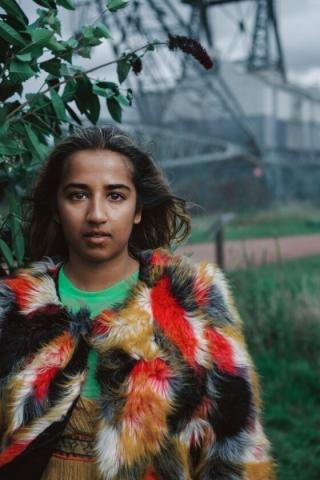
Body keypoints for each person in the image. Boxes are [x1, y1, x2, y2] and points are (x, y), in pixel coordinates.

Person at [0, 126, 275, 480]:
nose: (96, 214)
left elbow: (236, 445)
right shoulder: (12, 308)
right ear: (56, 208)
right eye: (78, 195)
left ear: (138, 209)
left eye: (115, 196)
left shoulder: (193, 304)